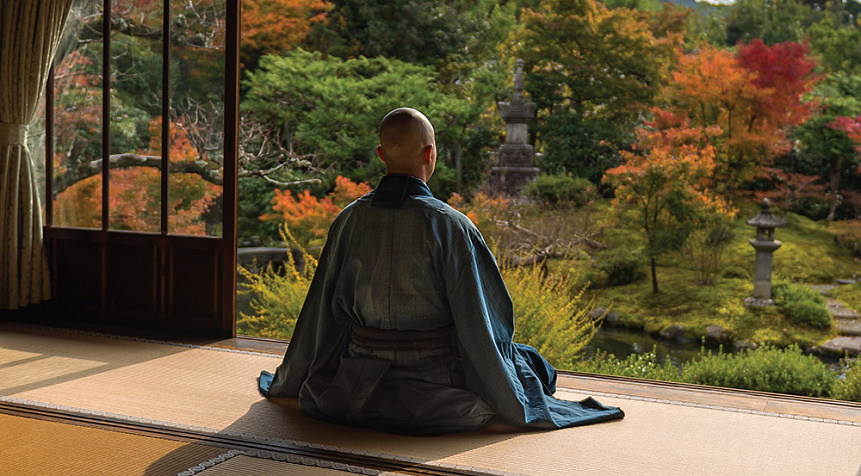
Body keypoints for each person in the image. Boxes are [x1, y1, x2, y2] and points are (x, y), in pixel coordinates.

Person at [258, 107, 624, 435]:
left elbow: (320, 315)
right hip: (435, 385)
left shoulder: (348, 220)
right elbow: (484, 323)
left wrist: (292, 377)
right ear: (430, 153)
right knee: (534, 365)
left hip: (354, 385)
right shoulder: (452, 226)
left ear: (381, 155)